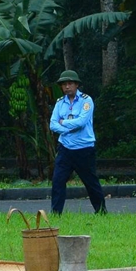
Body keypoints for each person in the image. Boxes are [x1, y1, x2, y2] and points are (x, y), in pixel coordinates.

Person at [49, 70, 105, 215]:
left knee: (90, 182)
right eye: (64, 84)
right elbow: (53, 124)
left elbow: (81, 122)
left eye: (70, 83)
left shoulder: (86, 100)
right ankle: (56, 214)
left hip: (84, 149)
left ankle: (101, 211)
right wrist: (67, 129)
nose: (67, 87)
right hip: (65, 148)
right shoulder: (60, 103)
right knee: (57, 181)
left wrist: (64, 122)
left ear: (76, 85)